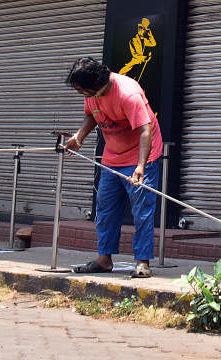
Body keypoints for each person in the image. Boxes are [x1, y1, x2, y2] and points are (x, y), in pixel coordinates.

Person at [63, 57, 163, 279]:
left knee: (141, 211)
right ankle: (104, 259)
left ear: (96, 84)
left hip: (141, 155)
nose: (82, 95)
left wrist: (140, 167)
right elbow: (92, 116)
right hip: (113, 156)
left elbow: (146, 130)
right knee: (105, 208)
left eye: (83, 90)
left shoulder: (128, 93)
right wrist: (79, 136)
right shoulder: (92, 95)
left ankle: (142, 262)